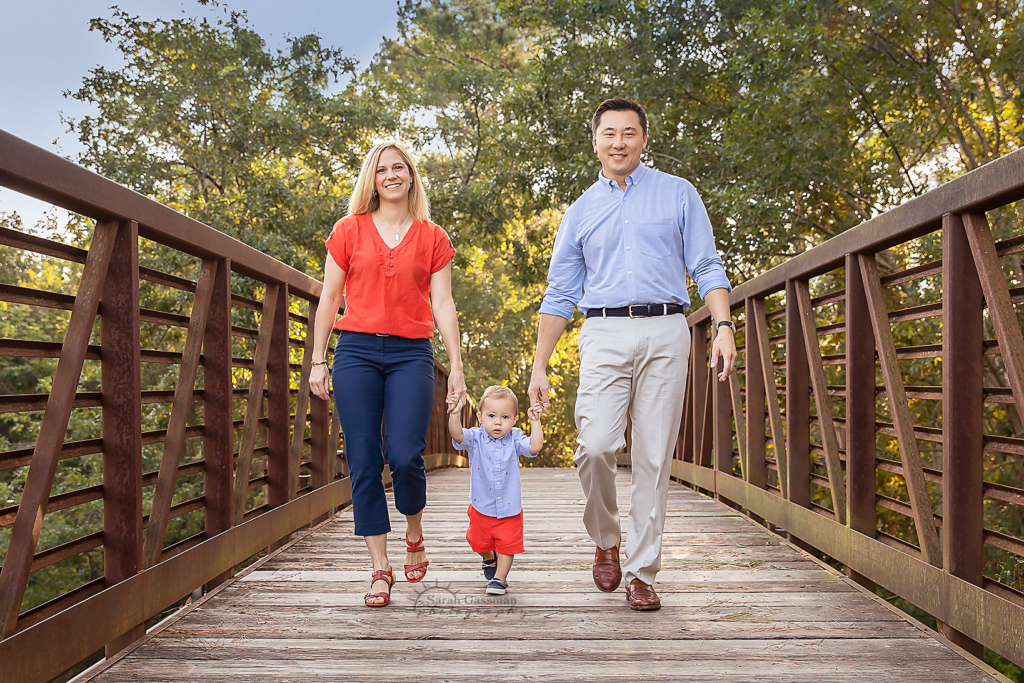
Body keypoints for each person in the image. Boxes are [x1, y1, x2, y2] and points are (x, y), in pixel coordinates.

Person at [528, 97, 737, 611]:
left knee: (652, 456)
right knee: (596, 446)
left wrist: (725, 324)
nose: (619, 142)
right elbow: (559, 293)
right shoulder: (580, 212)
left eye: (629, 133)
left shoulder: (678, 194)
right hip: (603, 332)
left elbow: (707, 264)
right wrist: (539, 364)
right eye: (610, 133)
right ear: (595, 141)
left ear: (644, 139)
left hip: (668, 328)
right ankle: (606, 537)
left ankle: (642, 571)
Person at [308, 141, 467, 608]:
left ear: (412, 176)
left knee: (403, 455)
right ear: (371, 179)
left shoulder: (433, 236)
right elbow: (329, 300)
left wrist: (455, 366)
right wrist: (318, 358)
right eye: (382, 170)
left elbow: (443, 304)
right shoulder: (348, 230)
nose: (392, 175)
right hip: (355, 350)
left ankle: (413, 530)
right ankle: (380, 567)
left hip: (411, 354)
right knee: (361, 457)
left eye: (400, 168)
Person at [448, 386, 543, 595]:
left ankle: (500, 579)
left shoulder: (515, 438)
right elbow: (456, 435)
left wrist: (535, 422)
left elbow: (534, 447)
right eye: (491, 416)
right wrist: (455, 414)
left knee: (508, 545)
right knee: (477, 541)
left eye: (505, 417)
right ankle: (489, 558)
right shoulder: (475, 438)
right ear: (480, 417)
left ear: (515, 419)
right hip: (482, 505)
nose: (498, 422)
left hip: (509, 507)